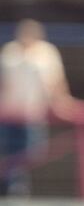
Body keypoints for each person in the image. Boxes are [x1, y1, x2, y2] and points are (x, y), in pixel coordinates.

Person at [0, 19, 75, 196]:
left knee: (32, 152)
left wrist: (63, 100)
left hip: (33, 112)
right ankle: (14, 187)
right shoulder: (10, 52)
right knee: (9, 150)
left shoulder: (47, 53)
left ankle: (21, 186)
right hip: (9, 113)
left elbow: (56, 80)